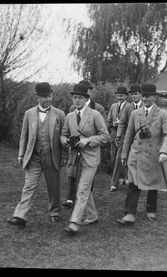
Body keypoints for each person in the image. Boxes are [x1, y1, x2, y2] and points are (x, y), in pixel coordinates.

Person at [6, 82, 65, 229]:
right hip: (34, 157)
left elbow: (64, 136)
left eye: (50, 96)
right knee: (28, 186)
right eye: (44, 97)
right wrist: (21, 154)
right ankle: (20, 216)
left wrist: (64, 156)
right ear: (38, 97)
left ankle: (55, 212)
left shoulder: (60, 114)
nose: (48, 99)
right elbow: (24, 136)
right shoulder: (29, 114)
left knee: (53, 186)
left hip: (52, 156)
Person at [116, 83, 167, 225]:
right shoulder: (136, 114)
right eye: (144, 96)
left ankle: (151, 210)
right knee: (133, 183)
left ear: (155, 97)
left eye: (148, 96)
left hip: (153, 155)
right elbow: (128, 135)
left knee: (152, 183)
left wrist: (165, 151)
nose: (145, 98)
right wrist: (124, 154)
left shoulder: (163, 115)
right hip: (136, 154)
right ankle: (130, 214)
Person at [61, 83, 109, 235]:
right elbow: (63, 134)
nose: (77, 101)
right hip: (75, 158)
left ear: (86, 99)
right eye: (75, 98)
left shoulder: (95, 115)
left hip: (91, 159)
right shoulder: (69, 116)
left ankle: (74, 223)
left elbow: (105, 136)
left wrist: (87, 141)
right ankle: (92, 216)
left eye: (80, 98)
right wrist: (65, 141)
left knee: (81, 189)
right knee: (84, 188)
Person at [114, 84, 145, 191]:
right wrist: (118, 135)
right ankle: (114, 183)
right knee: (119, 157)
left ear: (141, 94)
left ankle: (137, 182)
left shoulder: (145, 106)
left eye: (136, 94)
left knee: (140, 159)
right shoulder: (128, 107)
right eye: (132, 94)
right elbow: (122, 123)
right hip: (128, 136)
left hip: (142, 138)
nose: (134, 96)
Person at [107, 86, 129, 192]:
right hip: (113, 135)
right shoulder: (113, 106)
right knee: (113, 158)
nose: (120, 97)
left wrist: (120, 124)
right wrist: (111, 126)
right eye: (118, 95)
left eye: (122, 95)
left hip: (124, 136)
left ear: (125, 96)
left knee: (118, 159)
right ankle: (126, 176)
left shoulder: (129, 107)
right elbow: (109, 120)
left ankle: (114, 184)